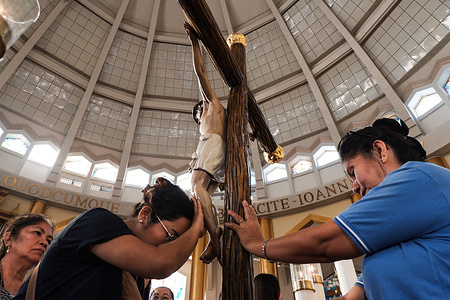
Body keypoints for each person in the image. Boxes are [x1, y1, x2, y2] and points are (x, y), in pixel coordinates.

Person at [226, 117, 450, 299]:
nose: (354, 187)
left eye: (352, 171)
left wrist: (259, 246)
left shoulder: (417, 177)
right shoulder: (396, 235)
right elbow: (351, 298)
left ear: (380, 150)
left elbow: (326, 243)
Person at [14, 177, 204, 300]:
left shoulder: (133, 274)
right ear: (145, 215)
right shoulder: (99, 222)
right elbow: (161, 263)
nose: (170, 246)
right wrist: (196, 228)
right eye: (171, 235)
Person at [185, 22, 226, 264]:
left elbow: (200, 71)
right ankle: (214, 238)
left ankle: (217, 237)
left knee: (196, 186)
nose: (197, 118)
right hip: (212, 149)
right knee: (200, 199)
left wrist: (194, 40)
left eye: (196, 115)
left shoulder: (210, 105)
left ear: (200, 110)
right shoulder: (217, 117)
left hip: (211, 143)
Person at [0, 214, 54, 300]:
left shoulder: (34, 293)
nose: (45, 243)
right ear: (9, 239)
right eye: (37, 233)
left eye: (49, 241)